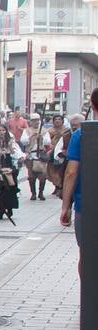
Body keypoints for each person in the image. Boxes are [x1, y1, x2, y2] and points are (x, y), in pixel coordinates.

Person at [60, 88, 96, 251]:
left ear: (92, 105)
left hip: (86, 204)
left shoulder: (81, 135)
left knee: (87, 253)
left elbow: (71, 172)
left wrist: (65, 206)